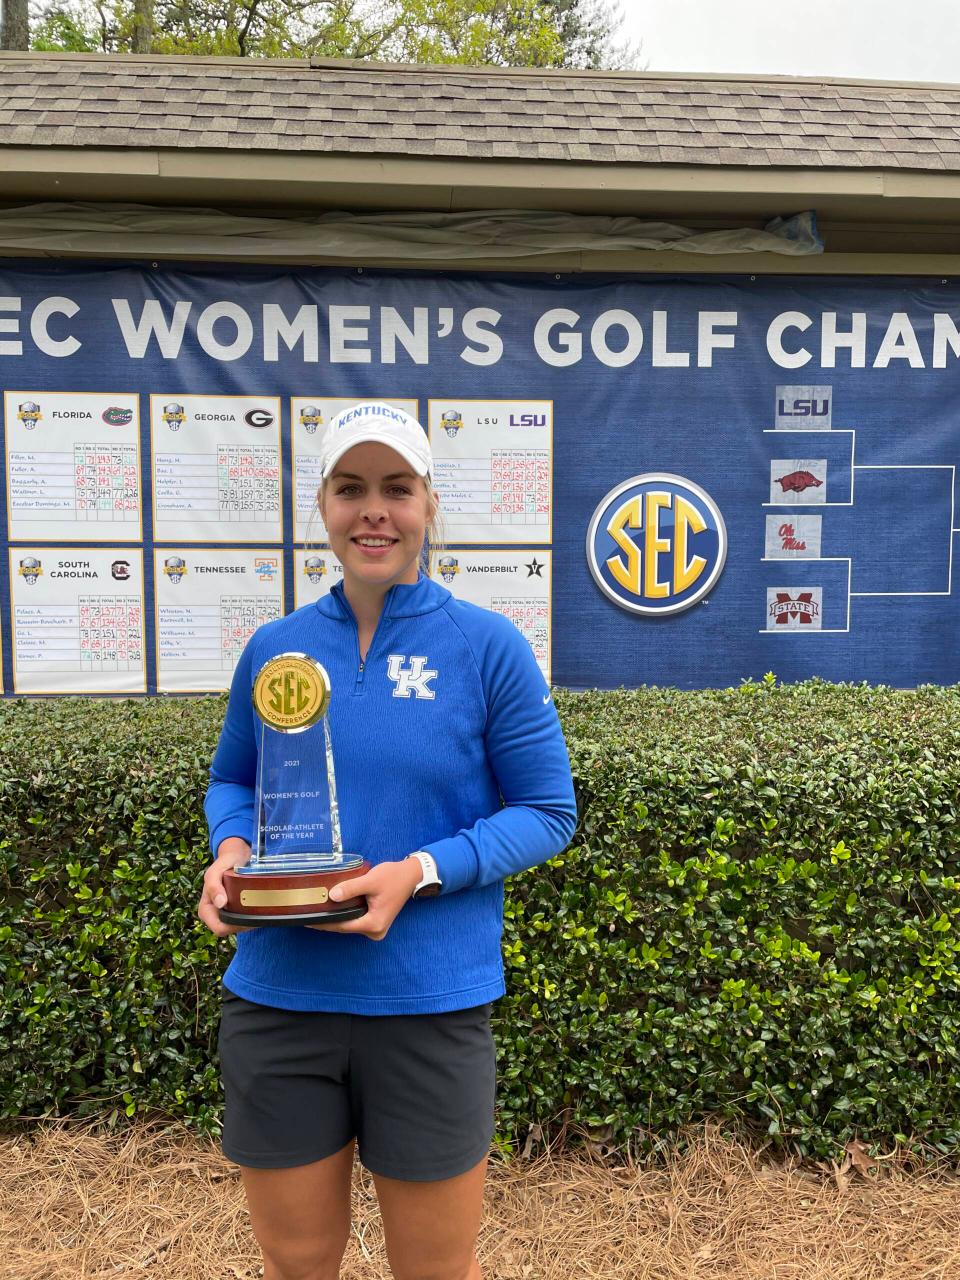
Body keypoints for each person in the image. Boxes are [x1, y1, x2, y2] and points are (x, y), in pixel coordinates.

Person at [198, 402, 577, 1280]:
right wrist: (229, 854)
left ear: (428, 505)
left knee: (433, 1270)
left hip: (430, 1003)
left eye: (396, 489)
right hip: (279, 999)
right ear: (323, 507)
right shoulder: (275, 647)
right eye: (351, 488)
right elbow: (235, 781)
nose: (374, 510)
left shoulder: (488, 648)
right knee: (296, 1261)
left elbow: (548, 811)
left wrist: (420, 872)